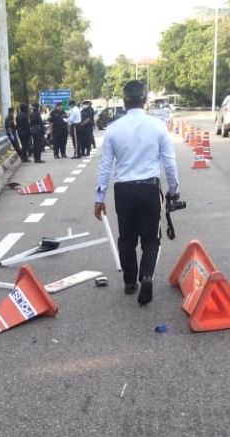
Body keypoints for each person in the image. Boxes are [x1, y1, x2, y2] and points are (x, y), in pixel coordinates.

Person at [93, 80, 180, 305]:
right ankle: (147, 276)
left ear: (124, 101)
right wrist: (173, 189)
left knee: (127, 238)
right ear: (145, 100)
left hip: (123, 190)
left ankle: (130, 281)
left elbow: (105, 166)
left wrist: (99, 198)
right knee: (151, 238)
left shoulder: (113, 129)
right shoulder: (158, 126)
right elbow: (169, 163)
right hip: (149, 188)